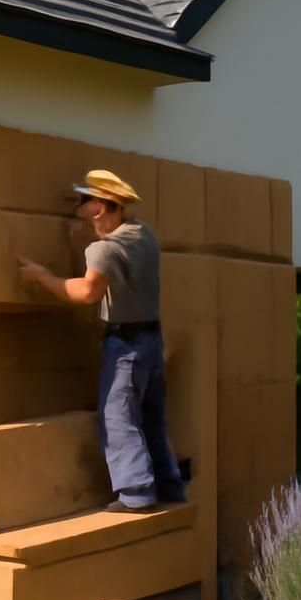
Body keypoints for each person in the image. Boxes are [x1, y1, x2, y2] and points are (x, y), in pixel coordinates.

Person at [16, 169, 186, 513]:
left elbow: (87, 291)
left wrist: (42, 277)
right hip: (152, 340)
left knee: (117, 416)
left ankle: (136, 493)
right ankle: (168, 485)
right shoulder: (143, 234)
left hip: (125, 346)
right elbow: (117, 262)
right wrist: (86, 242)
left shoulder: (105, 250)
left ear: (101, 209)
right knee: (151, 416)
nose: (77, 206)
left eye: (84, 200)